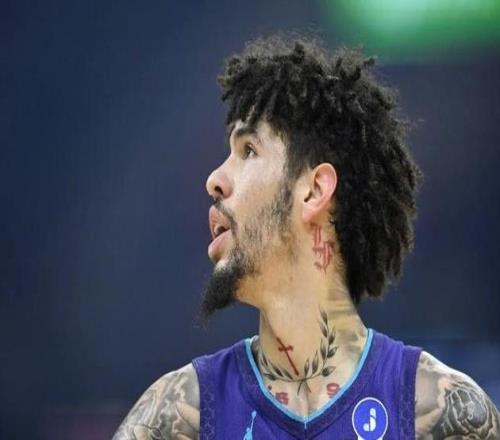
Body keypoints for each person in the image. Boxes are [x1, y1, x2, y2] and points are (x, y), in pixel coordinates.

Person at [112, 34, 500, 439]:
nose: (215, 179)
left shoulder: (441, 414)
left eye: (248, 150)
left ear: (314, 191)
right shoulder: (178, 417)